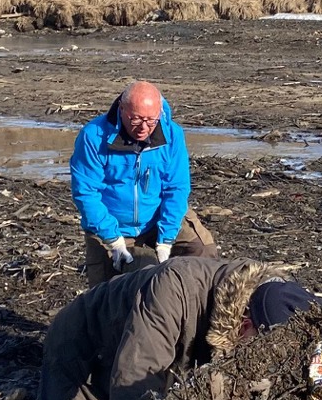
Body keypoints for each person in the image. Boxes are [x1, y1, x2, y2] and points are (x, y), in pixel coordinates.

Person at [33, 257, 315, 400]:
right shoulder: (173, 290)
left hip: (157, 347)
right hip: (85, 344)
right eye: (261, 347)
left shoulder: (282, 301)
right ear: (243, 325)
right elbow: (137, 375)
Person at [70, 81, 215, 286]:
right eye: (136, 119)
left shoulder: (172, 135)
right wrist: (113, 239)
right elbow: (86, 193)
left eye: (150, 120)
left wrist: (166, 239)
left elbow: (176, 188)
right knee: (110, 293)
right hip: (113, 224)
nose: (143, 128)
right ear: (121, 109)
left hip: (157, 216)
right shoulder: (93, 136)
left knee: (202, 250)